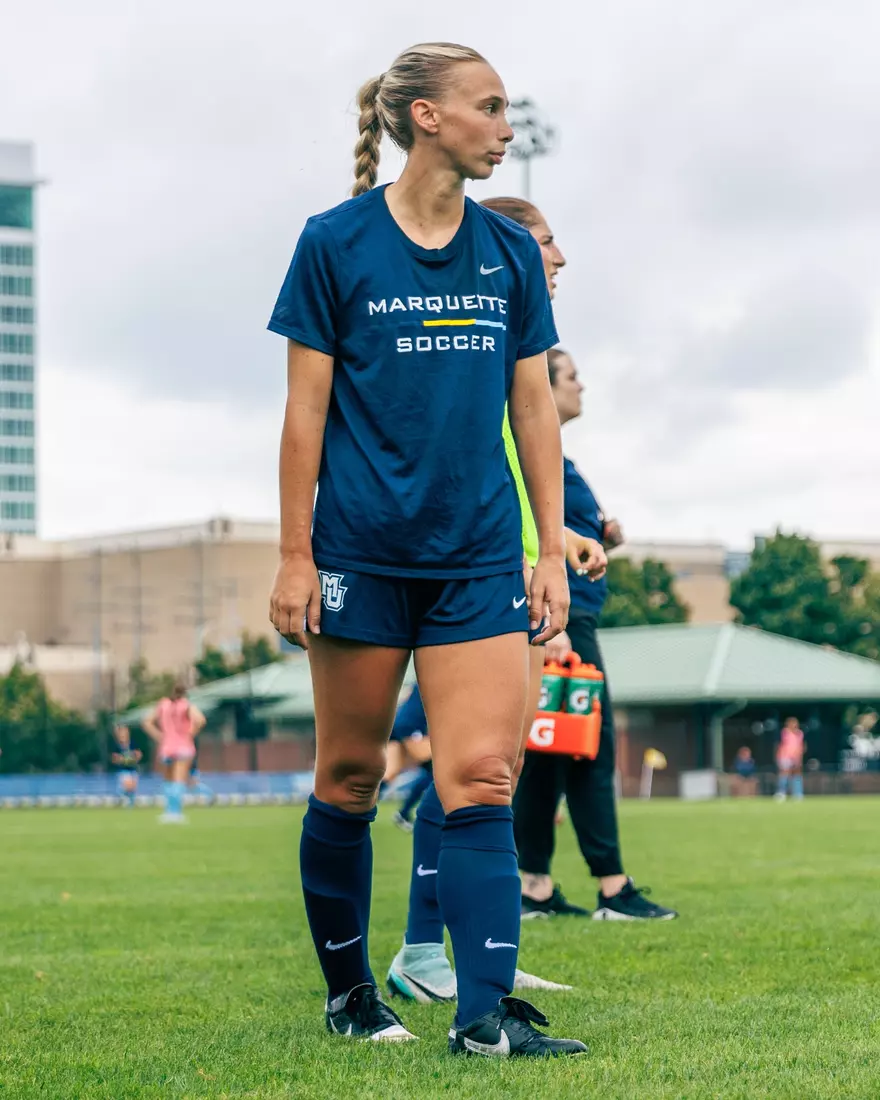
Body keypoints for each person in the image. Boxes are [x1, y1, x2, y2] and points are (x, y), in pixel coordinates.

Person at [267, 43, 587, 1057]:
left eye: (505, 110)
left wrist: (545, 547)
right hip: (360, 551)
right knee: (351, 776)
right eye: (487, 107)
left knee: (483, 774)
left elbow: (532, 403)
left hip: (479, 555)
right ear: (425, 119)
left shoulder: (503, 252)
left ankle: (484, 1013)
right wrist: (292, 553)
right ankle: (351, 993)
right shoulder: (334, 243)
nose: (503, 124)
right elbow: (303, 415)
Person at [386, 194, 604, 1004]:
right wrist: (521, 557)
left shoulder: (512, 342)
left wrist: (558, 541)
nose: (559, 257)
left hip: (510, 563)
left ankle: (470, 952)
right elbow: (484, 465)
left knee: (491, 773)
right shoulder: (490, 349)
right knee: (474, 772)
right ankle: (422, 950)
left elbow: (514, 467)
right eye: (548, 240)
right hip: (482, 573)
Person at [513, 347, 679, 921]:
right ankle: (613, 888)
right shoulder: (527, 447)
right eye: (573, 377)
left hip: (564, 615)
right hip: (559, 620)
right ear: (544, 383)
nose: (581, 386)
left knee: (549, 753)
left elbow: (563, 526)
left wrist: (602, 532)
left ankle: (531, 885)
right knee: (589, 749)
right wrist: (548, 626)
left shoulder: (557, 455)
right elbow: (519, 524)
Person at [142, 683, 207, 825]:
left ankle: (168, 812)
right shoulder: (186, 705)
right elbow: (201, 720)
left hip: (166, 746)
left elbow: (147, 721)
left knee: (169, 779)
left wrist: (159, 736)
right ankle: (176, 813)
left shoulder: (163, 704)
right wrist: (190, 734)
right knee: (179, 779)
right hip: (183, 746)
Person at [383, 684, 433, 831]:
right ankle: (404, 813)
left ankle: (357, 812)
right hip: (410, 726)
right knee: (436, 770)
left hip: (398, 723)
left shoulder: (418, 682)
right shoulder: (436, 677)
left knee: (389, 773)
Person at [110, 723, 142, 808]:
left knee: (133, 787)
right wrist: (123, 759)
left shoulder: (133, 743)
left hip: (133, 769)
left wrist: (133, 758)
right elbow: (114, 759)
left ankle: (130, 805)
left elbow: (138, 755)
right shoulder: (117, 746)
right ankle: (122, 797)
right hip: (123, 770)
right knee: (128, 785)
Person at [775, 717, 806, 801]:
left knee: (797, 775)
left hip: (796, 757)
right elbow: (780, 745)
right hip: (785, 757)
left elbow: (801, 746)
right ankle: (781, 792)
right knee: (784, 774)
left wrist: (799, 757)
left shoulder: (800, 734)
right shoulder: (785, 733)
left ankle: (798, 793)